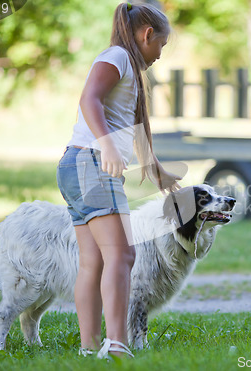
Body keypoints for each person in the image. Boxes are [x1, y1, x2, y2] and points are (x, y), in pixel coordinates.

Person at [56, 2, 180, 359]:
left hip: (75, 165)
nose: (160, 53)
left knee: (94, 262)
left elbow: (134, 132)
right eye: (161, 44)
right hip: (91, 162)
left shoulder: (127, 66)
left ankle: (88, 348)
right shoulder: (118, 56)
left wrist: (158, 173)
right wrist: (106, 145)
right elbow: (88, 98)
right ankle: (117, 345)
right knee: (123, 255)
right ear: (147, 35)